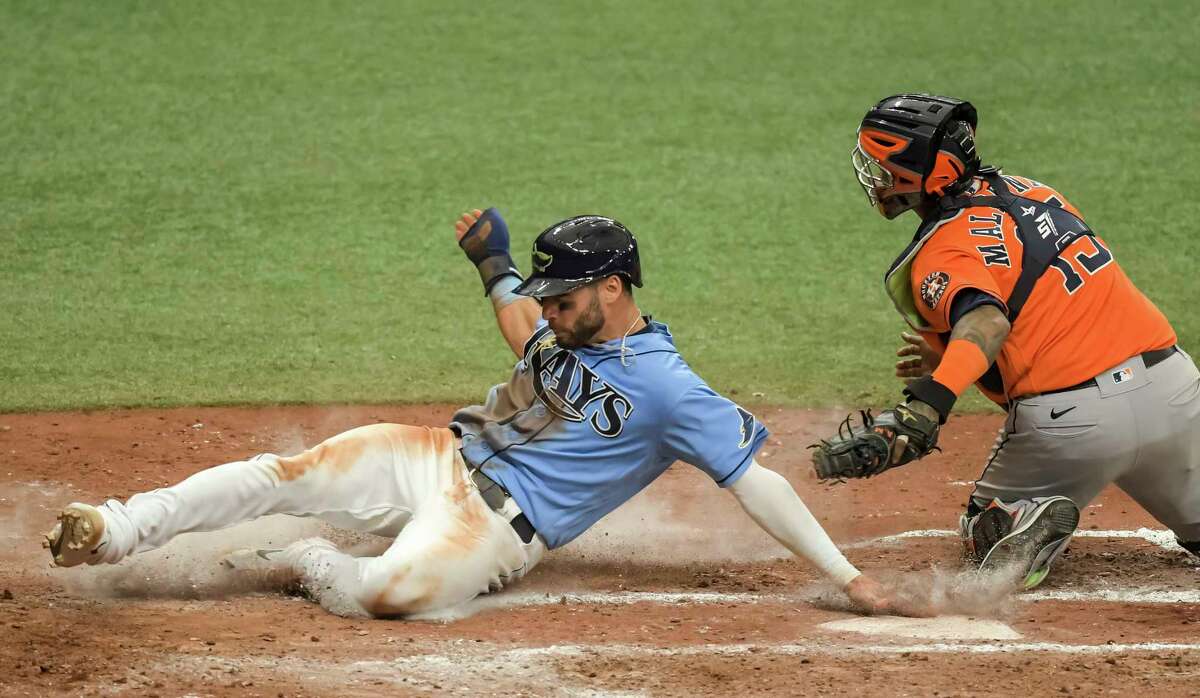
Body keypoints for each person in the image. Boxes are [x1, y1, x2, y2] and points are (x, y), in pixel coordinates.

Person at [43, 208, 906, 617]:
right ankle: (118, 528)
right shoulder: (560, 329)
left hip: (496, 527)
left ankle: (311, 558)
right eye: (548, 298)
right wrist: (490, 260)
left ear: (614, 288)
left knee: (391, 594)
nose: (549, 313)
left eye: (564, 298)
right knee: (281, 473)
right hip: (436, 456)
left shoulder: (673, 391)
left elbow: (756, 484)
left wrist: (848, 579)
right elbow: (516, 319)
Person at [813, 93, 1200, 589]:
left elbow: (989, 324)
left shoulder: (941, 253)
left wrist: (928, 404)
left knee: (980, 533)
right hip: (1173, 391)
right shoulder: (1034, 192)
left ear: (913, 174)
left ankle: (1018, 521)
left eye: (882, 164)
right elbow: (1037, 298)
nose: (875, 176)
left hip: (1076, 428)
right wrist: (951, 353)